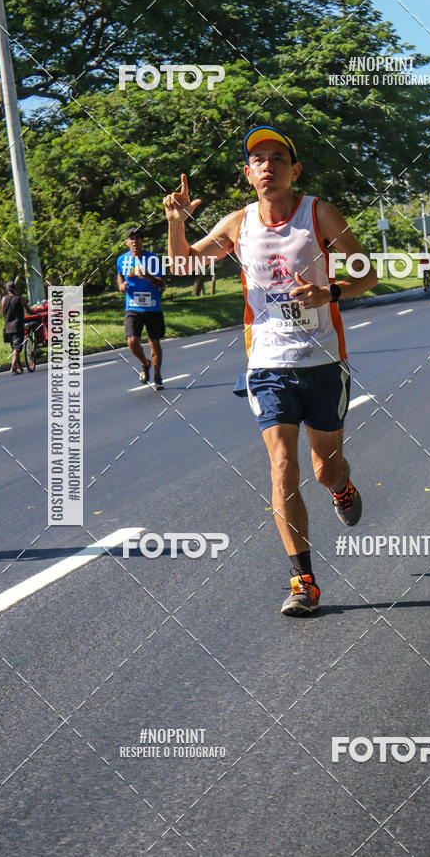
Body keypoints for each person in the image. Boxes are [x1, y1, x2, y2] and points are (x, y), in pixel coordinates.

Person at [163, 125, 378, 616]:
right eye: (258, 159)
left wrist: (331, 293)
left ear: (294, 169)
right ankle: (303, 582)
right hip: (268, 363)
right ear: (248, 173)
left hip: (323, 361)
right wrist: (177, 222)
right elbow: (183, 266)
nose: (268, 165)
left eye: (278, 157)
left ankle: (341, 487)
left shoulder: (319, 213)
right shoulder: (238, 224)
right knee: (283, 466)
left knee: (326, 468)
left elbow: (368, 272)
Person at [117, 226, 166, 390]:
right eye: (131, 238)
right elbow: (120, 276)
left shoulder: (153, 259)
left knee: (154, 343)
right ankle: (145, 363)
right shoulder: (122, 260)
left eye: (138, 237)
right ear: (126, 242)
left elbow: (161, 283)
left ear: (143, 240)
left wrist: (148, 276)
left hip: (152, 307)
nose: (134, 241)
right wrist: (121, 286)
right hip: (132, 306)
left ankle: (157, 376)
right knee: (131, 342)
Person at [0, 280, 30, 374]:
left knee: (14, 348)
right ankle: (13, 366)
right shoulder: (21, 299)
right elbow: (29, 310)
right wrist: (36, 312)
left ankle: (20, 368)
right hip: (17, 327)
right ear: (15, 289)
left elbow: (2, 313)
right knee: (17, 348)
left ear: (7, 290)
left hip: (7, 327)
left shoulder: (3, 299)